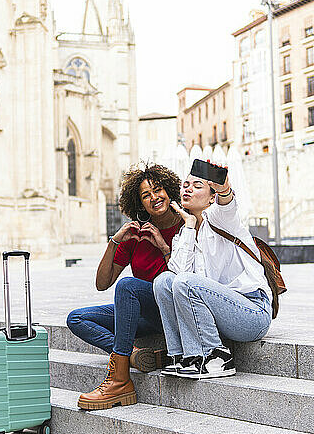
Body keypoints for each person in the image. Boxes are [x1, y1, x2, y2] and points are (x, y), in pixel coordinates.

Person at [67, 163, 183, 410]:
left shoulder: (186, 225)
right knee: (76, 319)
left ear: (169, 190)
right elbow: (102, 283)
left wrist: (163, 247)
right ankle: (132, 355)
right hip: (142, 315)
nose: (154, 198)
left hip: (172, 310)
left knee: (128, 285)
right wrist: (115, 241)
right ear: (140, 204)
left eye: (158, 190)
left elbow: (186, 280)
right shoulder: (137, 234)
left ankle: (120, 379)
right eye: (145, 195)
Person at [153, 171, 272, 379]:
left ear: (211, 198)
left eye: (197, 185)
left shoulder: (220, 218)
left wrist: (224, 189)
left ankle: (217, 355)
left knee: (184, 282)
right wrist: (189, 226)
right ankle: (184, 356)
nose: (187, 189)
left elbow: (228, 204)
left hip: (251, 313)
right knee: (163, 281)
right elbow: (177, 279)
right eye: (185, 185)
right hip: (220, 316)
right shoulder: (183, 235)